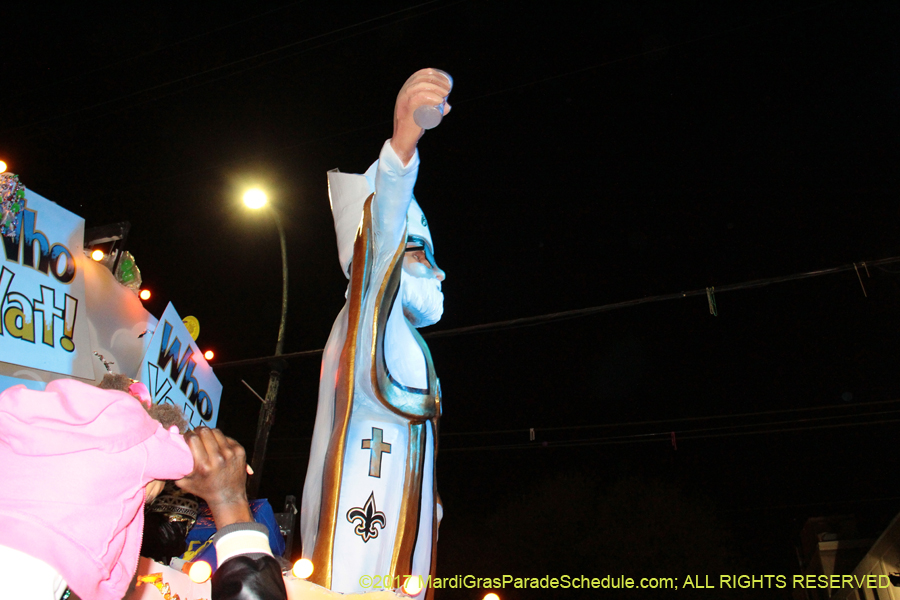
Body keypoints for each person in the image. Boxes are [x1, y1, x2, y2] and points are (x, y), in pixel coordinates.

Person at [300, 68, 452, 597]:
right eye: (420, 256)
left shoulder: (398, 330)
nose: (437, 273)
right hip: (366, 489)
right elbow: (383, 226)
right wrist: (401, 149)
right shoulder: (371, 310)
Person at [0, 378, 194, 600]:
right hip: (39, 561)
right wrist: (167, 445)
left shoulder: (31, 411)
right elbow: (193, 458)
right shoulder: (141, 439)